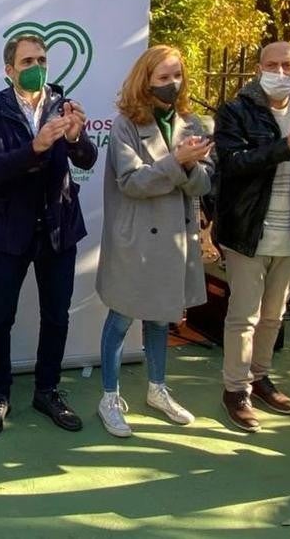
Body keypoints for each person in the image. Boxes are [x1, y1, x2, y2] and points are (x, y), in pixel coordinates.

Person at [0, 33, 98, 437]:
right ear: (9, 69)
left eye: (42, 60)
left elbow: (87, 159)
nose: (36, 67)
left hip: (58, 227)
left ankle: (47, 390)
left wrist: (77, 137)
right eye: (27, 61)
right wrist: (36, 146)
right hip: (7, 230)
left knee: (57, 317)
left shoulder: (63, 106)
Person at [213, 41, 290, 432]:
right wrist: (289, 144)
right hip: (248, 229)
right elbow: (233, 165)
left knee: (274, 316)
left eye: (288, 65)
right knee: (244, 316)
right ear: (258, 68)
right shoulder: (236, 111)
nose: (280, 72)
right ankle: (235, 390)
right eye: (272, 65)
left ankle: (260, 376)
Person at [95, 46, 213, 435]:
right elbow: (132, 182)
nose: (172, 83)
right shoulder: (124, 125)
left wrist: (188, 164)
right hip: (137, 238)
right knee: (122, 316)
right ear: (145, 80)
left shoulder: (191, 122)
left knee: (162, 316)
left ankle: (157, 388)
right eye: (163, 77)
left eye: (176, 75)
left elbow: (204, 183)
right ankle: (109, 396)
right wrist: (177, 162)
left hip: (174, 239)